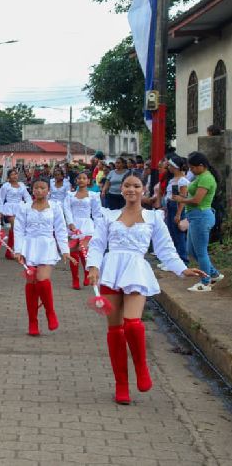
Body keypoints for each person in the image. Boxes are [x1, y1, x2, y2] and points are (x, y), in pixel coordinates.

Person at [87, 173, 205, 404]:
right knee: (115, 330)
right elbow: (98, 244)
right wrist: (93, 266)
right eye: (127, 186)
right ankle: (121, 384)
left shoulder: (153, 217)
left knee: (132, 324)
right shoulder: (108, 216)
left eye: (136, 186)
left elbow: (165, 249)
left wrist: (182, 270)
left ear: (144, 190)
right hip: (111, 270)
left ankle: (142, 368)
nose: (131, 189)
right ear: (121, 189)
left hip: (136, 271)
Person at [13, 177, 71, 336]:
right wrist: (18, 250)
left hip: (47, 246)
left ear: (48, 190)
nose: (39, 190)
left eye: (43, 188)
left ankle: (50, 312)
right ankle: (33, 321)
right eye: (36, 188)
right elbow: (18, 230)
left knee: (43, 280)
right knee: (31, 283)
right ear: (32, 190)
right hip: (29, 246)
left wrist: (65, 249)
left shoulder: (55, 207)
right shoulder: (24, 207)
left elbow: (60, 229)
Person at [172, 152, 223, 291]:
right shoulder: (201, 176)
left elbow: (196, 200)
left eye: (193, 167)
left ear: (201, 166)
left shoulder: (206, 178)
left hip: (201, 216)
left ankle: (206, 282)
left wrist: (180, 199)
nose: (191, 170)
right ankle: (214, 274)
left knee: (201, 252)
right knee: (191, 250)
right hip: (195, 217)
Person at [63, 171, 102, 290]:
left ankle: (86, 274)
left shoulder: (93, 195)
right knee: (73, 252)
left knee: (84, 250)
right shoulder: (70, 195)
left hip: (87, 225)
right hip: (74, 224)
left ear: (88, 181)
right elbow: (67, 209)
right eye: (79, 178)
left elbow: (96, 213)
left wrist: (98, 228)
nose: (81, 180)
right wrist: (70, 223)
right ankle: (75, 278)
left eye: (84, 178)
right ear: (76, 181)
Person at [0, 169, 32, 260]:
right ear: (8, 177)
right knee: (15, 226)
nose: (14, 176)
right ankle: (11, 251)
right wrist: (0, 211)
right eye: (12, 175)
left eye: (15, 174)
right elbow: (1, 198)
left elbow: (27, 196)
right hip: (10, 208)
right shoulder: (6, 186)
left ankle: (13, 251)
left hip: (20, 208)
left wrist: (31, 205)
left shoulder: (22, 185)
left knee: (18, 229)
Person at [162, 156, 189, 266]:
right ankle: (173, 260)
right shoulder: (173, 180)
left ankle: (182, 260)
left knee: (178, 234)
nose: (168, 167)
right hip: (170, 206)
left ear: (175, 167)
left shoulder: (183, 181)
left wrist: (178, 214)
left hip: (177, 207)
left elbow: (182, 199)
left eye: (170, 166)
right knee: (171, 234)